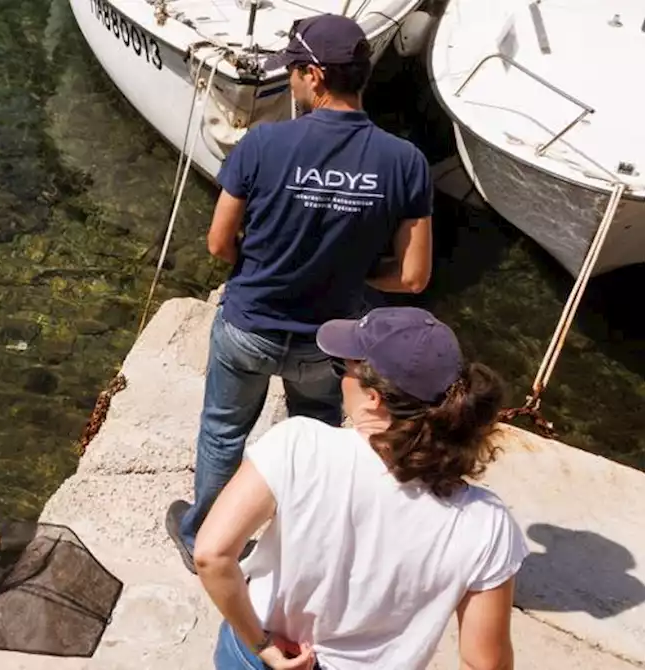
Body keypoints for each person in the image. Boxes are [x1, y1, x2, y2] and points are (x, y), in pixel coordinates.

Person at [165, 13, 435, 572]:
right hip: (331, 340)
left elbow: (218, 243)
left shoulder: (264, 143)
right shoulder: (405, 162)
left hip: (249, 326)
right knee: (314, 444)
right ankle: (298, 545)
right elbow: (412, 278)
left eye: (292, 69)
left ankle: (208, 538)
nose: (289, 79)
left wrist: (265, 264)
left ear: (314, 75)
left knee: (223, 431)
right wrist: (353, 274)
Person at [193, 307, 529, 670]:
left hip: (261, 657)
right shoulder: (486, 524)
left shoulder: (297, 445)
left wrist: (261, 645)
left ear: (375, 397)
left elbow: (211, 555)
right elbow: (486, 665)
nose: (340, 379)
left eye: (343, 368)